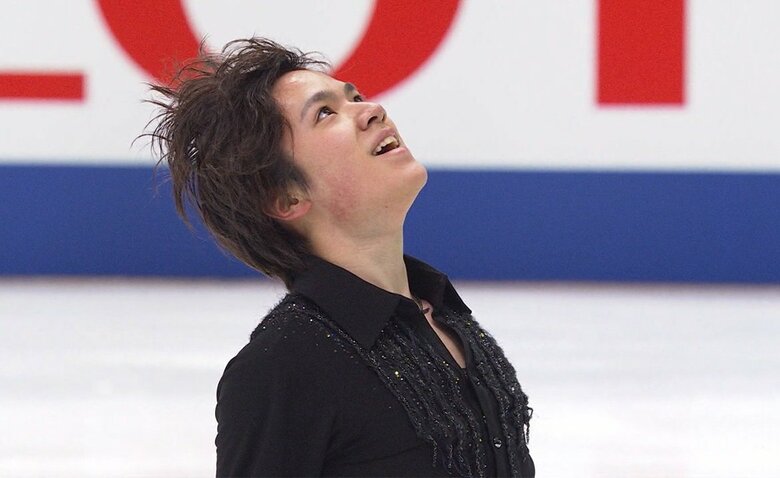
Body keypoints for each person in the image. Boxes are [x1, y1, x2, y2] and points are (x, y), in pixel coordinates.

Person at [148, 37, 534, 477]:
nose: (372, 110)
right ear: (287, 197)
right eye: (325, 113)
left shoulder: (444, 313)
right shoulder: (284, 366)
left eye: (355, 97)